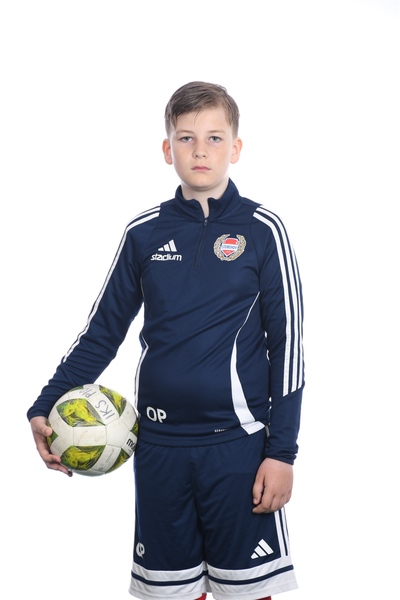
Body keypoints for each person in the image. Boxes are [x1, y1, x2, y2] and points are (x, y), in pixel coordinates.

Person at [28, 81, 305, 600]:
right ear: (167, 148)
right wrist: (43, 406)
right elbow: (102, 333)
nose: (200, 150)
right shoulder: (144, 233)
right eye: (186, 138)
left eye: (215, 137)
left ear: (235, 148)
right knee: (169, 593)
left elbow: (287, 348)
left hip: (238, 447)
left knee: (247, 592)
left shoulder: (263, 230)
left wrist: (282, 452)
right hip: (158, 447)